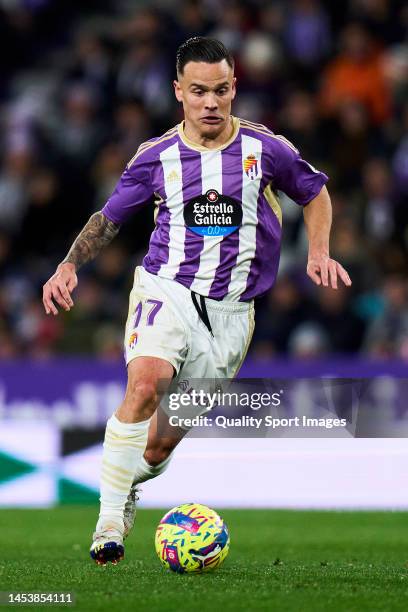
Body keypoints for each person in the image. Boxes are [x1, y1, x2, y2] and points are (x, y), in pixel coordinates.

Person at [42, 36, 352, 565]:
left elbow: (316, 192)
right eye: (199, 92)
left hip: (232, 318)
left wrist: (317, 251)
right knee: (143, 385)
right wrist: (69, 264)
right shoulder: (156, 158)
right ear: (179, 93)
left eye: (221, 91)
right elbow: (109, 219)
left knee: (157, 449)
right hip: (167, 288)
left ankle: (125, 484)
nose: (211, 102)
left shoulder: (265, 149)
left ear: (235, 89)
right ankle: (108, 524)